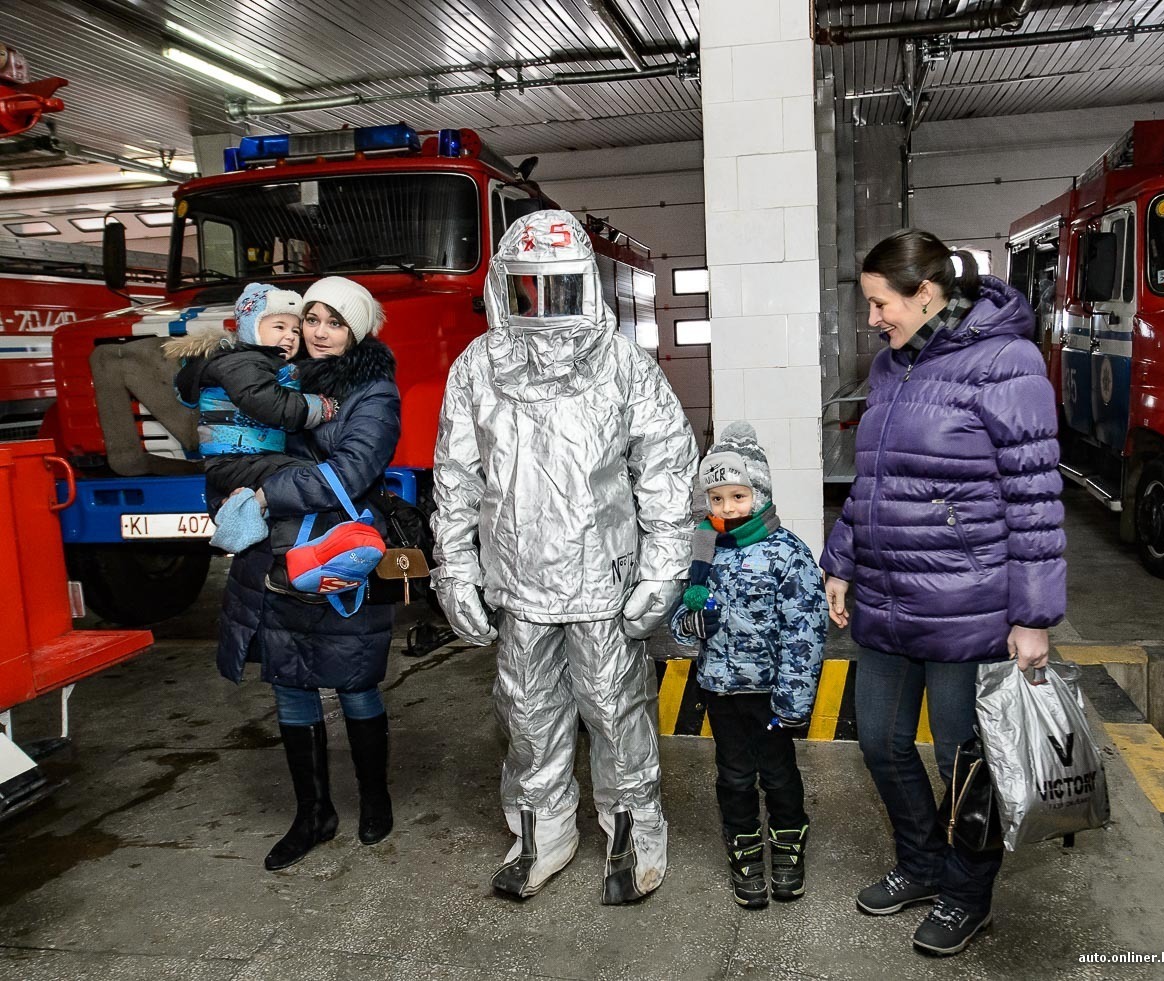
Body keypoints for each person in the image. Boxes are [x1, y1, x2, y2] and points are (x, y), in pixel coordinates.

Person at [432, 209, 697, 904]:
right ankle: (539, 834)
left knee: (615, 712)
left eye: (557, 288)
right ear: (501, 287)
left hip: (600, 580)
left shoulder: (621, 365)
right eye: (526, 289)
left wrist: (665, 564)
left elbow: (665, 466)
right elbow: (456, 475)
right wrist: (455, 565)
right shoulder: (478, 367)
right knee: (525, 713)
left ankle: (631, 834)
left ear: (584, 284)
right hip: (517, 580)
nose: (542, 307)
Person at [820, 229, 1066, 956]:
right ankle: (921, 864)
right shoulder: (892, 365)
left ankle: (967, 894)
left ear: (923, 293)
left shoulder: (1007, 362)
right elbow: (872, 482)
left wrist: (1030, 615)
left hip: (967, 604)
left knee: (963, 763)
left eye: (878, 303)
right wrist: (840, 561)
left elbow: (1034, 500)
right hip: (887, 597)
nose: (871, 319)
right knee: (880, 741)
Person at [215, 275, 401, 871]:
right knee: (290, 680)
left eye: (334, 322)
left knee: (354, 679)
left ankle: (375, 799)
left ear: (357, 329)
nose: (319, 333)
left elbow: (349, 473)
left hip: (337, 548)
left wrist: (264, 495)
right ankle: (313, 812)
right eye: (311, 319)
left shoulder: (374, 391)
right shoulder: (279, 376)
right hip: (272, 554)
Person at [671, 423, 826, 909]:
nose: (726, 509)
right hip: (719, 688)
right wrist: (692, 623)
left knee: (778, 774)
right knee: (734, 776)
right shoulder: (703, 548)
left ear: (759, 494)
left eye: (737, 496)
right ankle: (744, 849)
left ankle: (787, 845)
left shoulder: (787, 552)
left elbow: (806, 630)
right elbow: (678, 621)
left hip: (771, 693)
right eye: (716, 499)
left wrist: (794, 699)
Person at [165, 283, 338, 550]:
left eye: (295, 330)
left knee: (295, 478)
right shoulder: (242, 363)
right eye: (279, 327)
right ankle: (251, 522)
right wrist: (318, 407)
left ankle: (243, 506)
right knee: (303, 477)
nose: (290, 336)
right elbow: (266, 403)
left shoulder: (263, 362)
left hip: (246, 458)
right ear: (251, 327)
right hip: (238, 459)